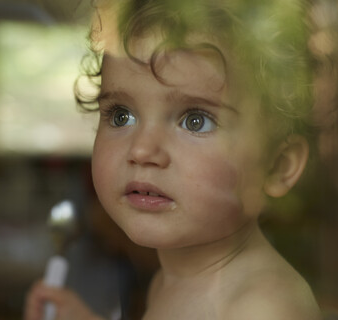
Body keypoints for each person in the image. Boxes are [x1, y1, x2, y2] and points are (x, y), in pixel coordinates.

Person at [25, 0, 322, 319]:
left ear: (277, 167)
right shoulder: (171, 279)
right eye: (122, 116)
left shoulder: (262, 308)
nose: (141, 150)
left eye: (196, 120)